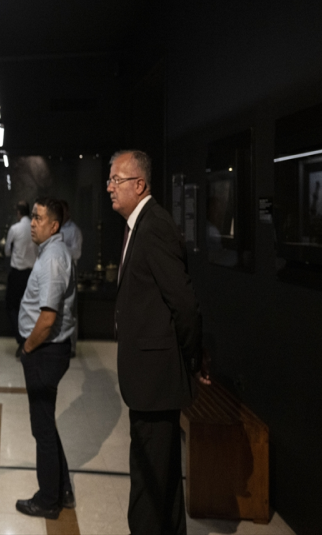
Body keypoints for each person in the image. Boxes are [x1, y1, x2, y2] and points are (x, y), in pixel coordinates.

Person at [107, 150, 209, 535]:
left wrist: (191, 358)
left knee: (149, 487)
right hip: (149, 378)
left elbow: (184, 304)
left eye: (116, 180)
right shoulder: (140, 225)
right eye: (109, 180)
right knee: (161, 481)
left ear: (140, 184)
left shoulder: (155, 226)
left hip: (156, 380)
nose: (109, 187)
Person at [15, 197, 76, 521]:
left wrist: (27, 349)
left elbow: (48, 318)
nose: (32, 223)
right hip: (46, 352)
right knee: (47, 424)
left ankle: (48, 500)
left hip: (44, 353)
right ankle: (62, 488)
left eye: (38, 218)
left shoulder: (53, 258)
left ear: (53, 225)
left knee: (42, 429)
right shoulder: (51, 252)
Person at [5, 200, 37, 356]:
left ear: (18, 212)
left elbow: (6, 251)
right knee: (30, 307)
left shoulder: (15, 228)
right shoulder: (34, 227)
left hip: (17, 273)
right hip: (31, 273)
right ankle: (29, 340)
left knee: (12, 307)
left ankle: (21, 340)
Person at [59, 200, 82, 356]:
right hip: (56, 270)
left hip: (69, 271)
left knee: (70, 308)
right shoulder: (55, 227)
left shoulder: (74, 230)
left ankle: (72, 346)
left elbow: (77, 253)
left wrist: (59, 246)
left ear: (68, 212)